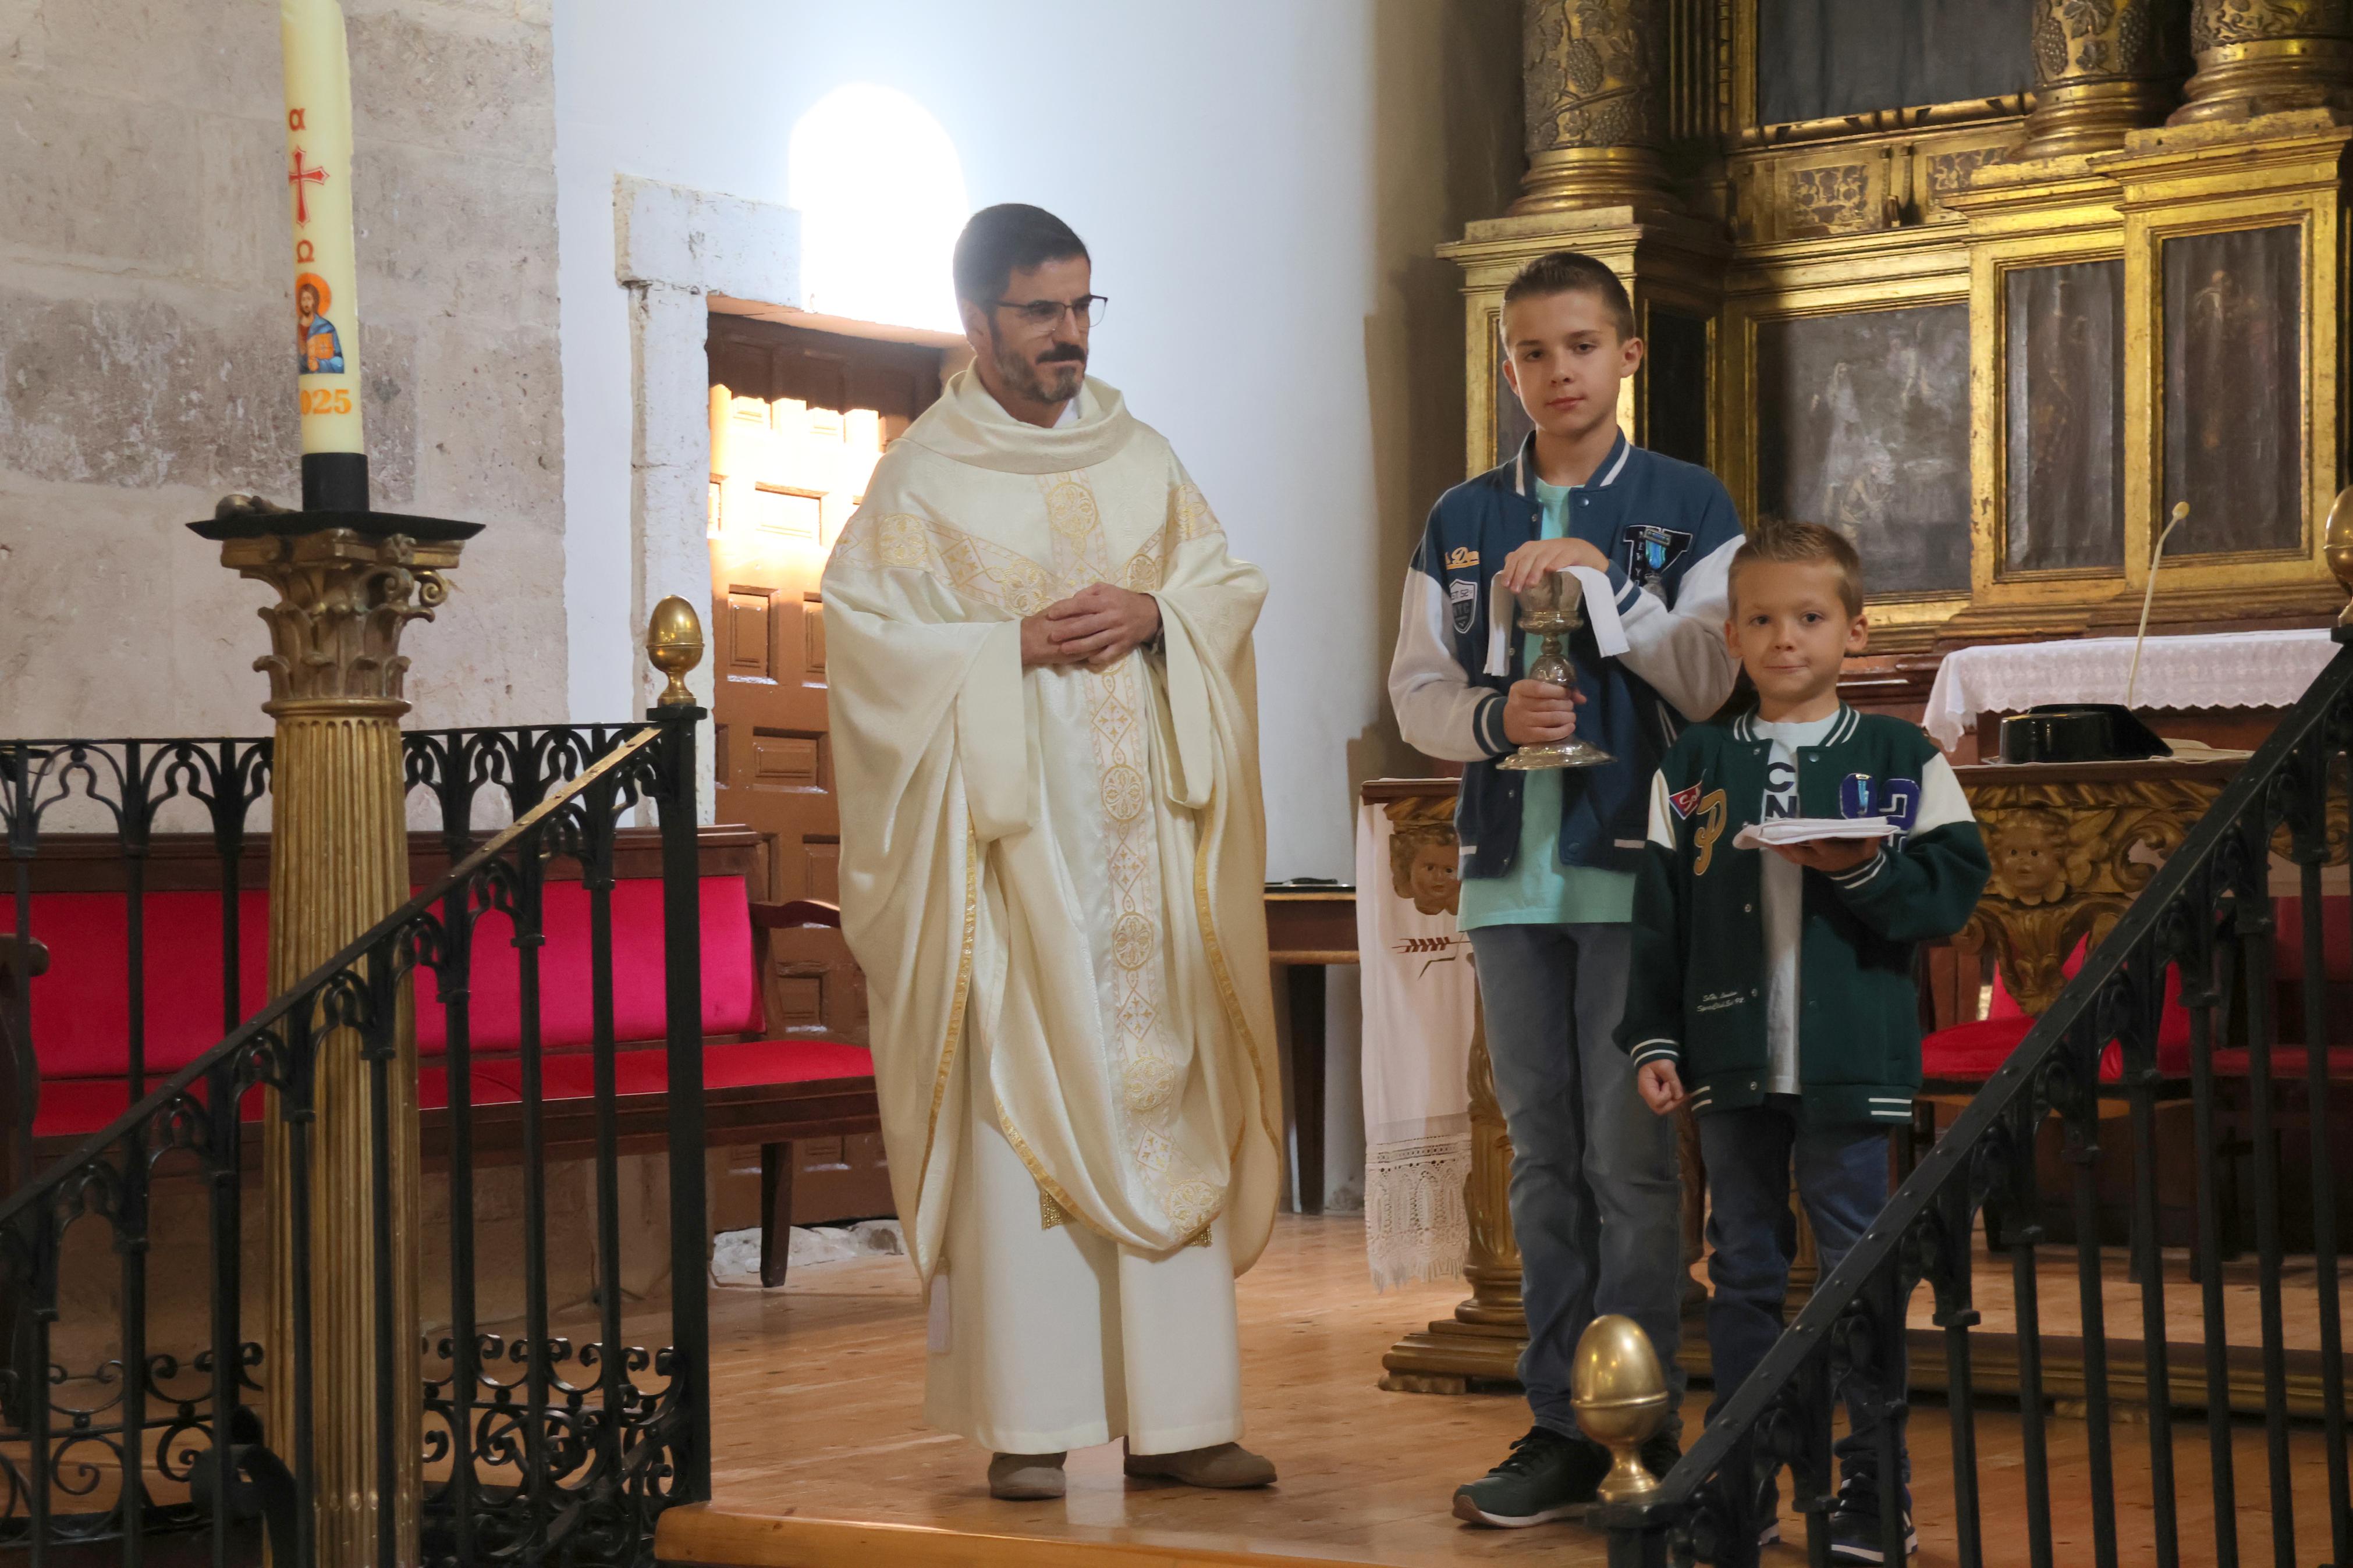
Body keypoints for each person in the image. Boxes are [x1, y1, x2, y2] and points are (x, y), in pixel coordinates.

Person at [822, 204, 1283, 1503]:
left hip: (1154, 868)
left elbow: (1227, 589)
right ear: (977, 321)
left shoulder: (1146, 459)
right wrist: (999, 647)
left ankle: (1184, 1420)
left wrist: (1160, 613)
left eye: (1083, 307)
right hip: (1016, 869)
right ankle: (1035, 1420)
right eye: (1040, 311)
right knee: (1015, 1101)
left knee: (1163, 1095)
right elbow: (863, 642)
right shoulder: (921, 481)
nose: (1069, 334)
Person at [1387, 250, 1745, 1528]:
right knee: (1542, 1161)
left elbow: (1711, 675)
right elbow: (1416, 689)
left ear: (1628, 356)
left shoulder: (1688, 503)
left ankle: (1640, 1424)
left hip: (1633, 871)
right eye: (1533, 352)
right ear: (1508, 367)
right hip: (1509, 877)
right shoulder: (1462, 516)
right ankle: (1557, 1425)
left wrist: (1605, 588)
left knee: (1630, 1163)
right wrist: (1495, 719)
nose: (1559, 373)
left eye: (1582, 347)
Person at [1619, 521, 1990, 1562]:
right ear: (1732, 637)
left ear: (1854, 632)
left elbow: (1949, 896)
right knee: (1742, 1269)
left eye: (1811, 617)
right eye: (1763, 620)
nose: (1786, 638)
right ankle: (1738, 1484)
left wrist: (1860, 868)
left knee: (1857, 1273)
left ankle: (1874, 1487)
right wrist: (1654, 1038)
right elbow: (1658, 921)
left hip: (1850, 1063)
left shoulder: (1902, 756)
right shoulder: (1694, 764)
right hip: (1730, 1061)